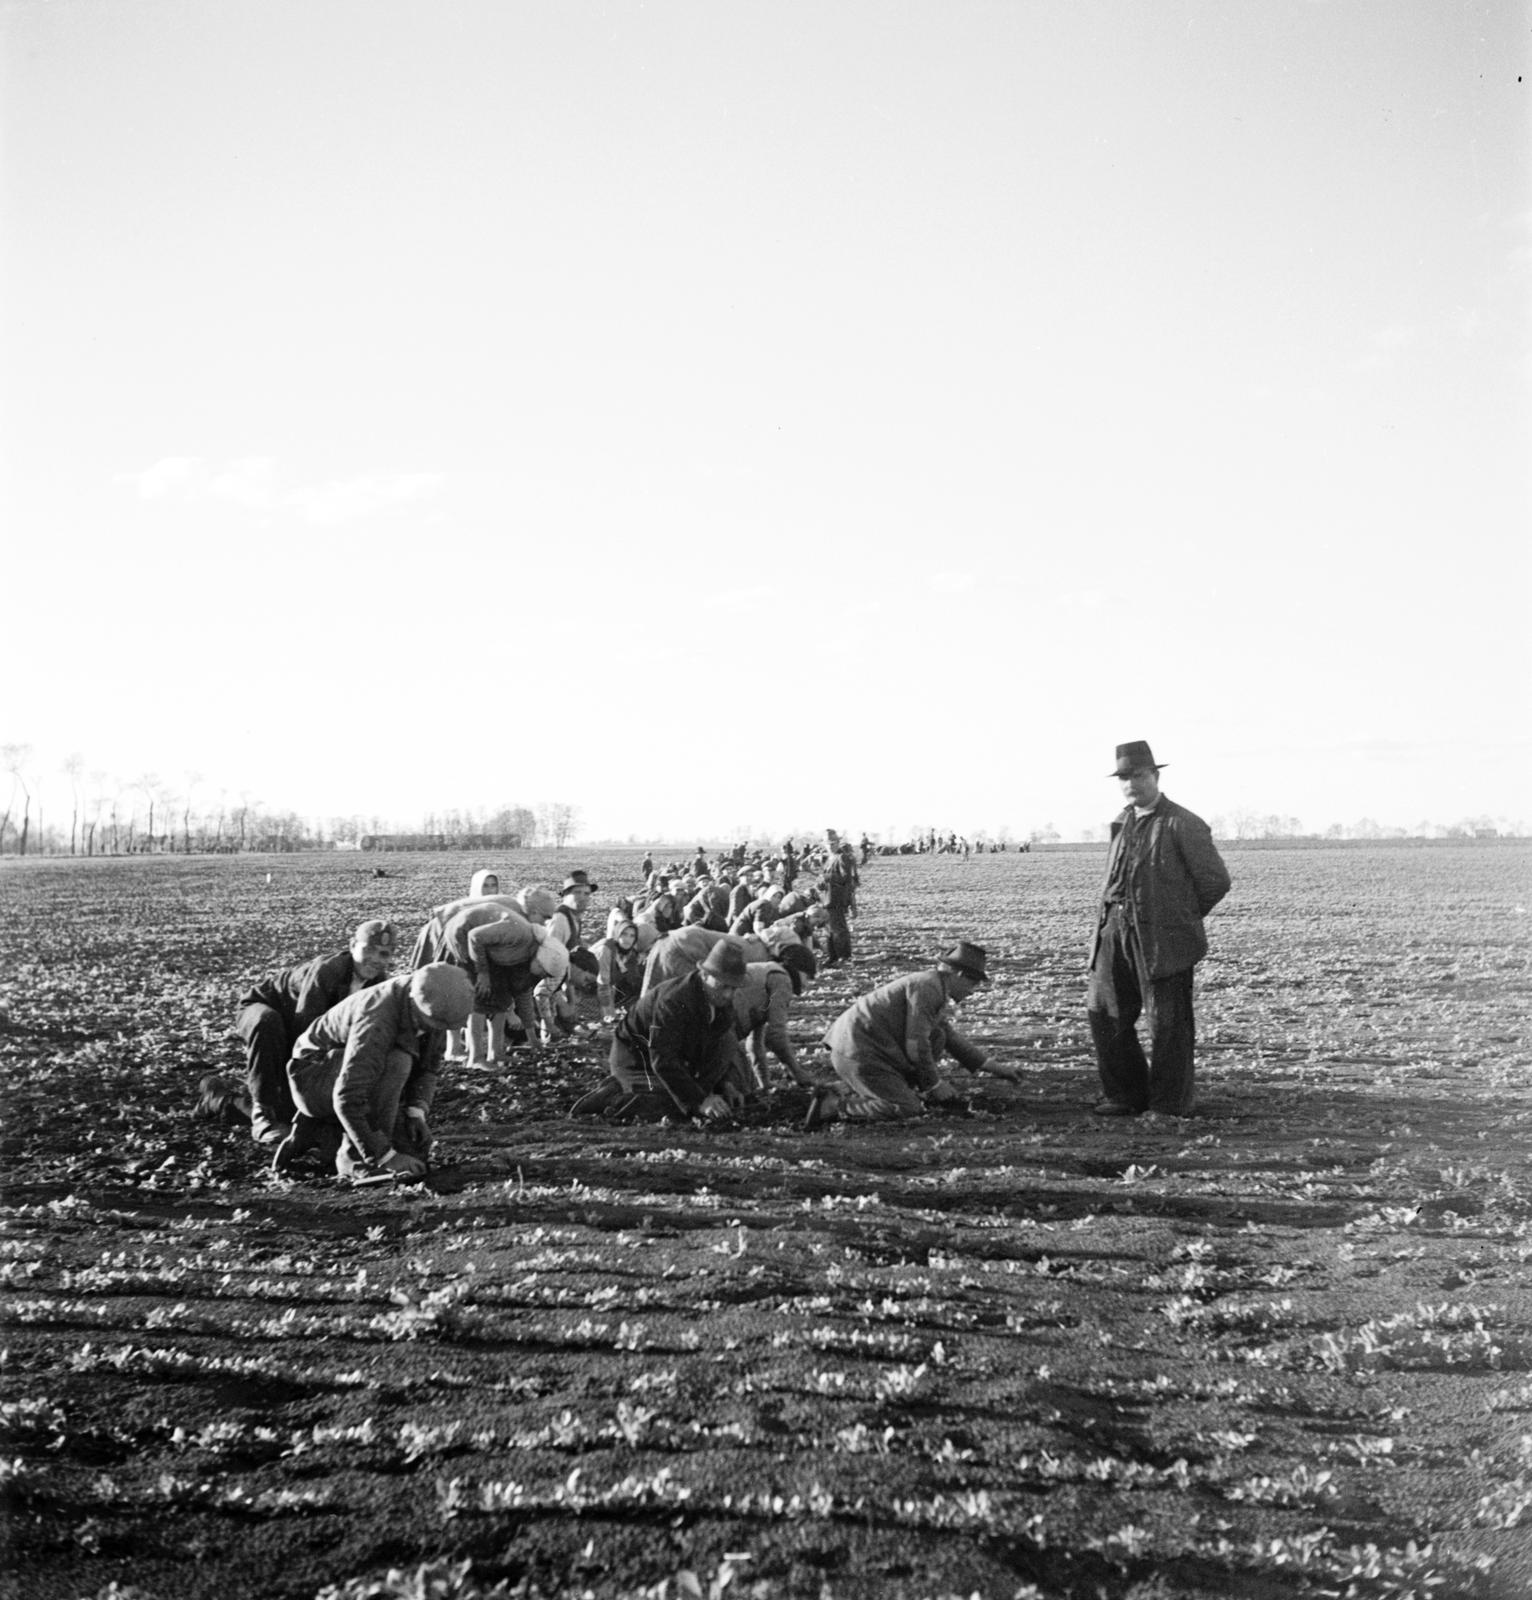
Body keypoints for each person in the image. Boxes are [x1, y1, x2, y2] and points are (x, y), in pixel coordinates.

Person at [1087, 740, 1231, 1119]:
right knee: (1106, 1012)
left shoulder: (1183, 823)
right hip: (1113, 929)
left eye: (1138, 775)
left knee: (1167, 1024)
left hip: (1162, 939)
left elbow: (1215, 881)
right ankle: (1126, 1096)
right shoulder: (1121, 822)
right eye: (1124, 778)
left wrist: (1177, 920)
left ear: (1155, 776)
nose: (1131, 784)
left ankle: (1169, 1105)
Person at [274, 962, 475, 1183]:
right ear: (416, 1005)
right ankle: (354, 1160)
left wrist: (416, 1112)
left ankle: (320, 1131)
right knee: (398, 1062)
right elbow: (348, 1095)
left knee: (415, 1153)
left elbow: (429, 1067)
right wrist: (384, 1156)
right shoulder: (378, 1017)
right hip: (312, 1079)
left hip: (347, 1077)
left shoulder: (431, 1000)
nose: (438, 1031)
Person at [805, 942, 1022, 1127]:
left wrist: (997, 1069)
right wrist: (934, 1084)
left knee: (938, 1036)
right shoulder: (928, 988)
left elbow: (951, 1038)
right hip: (858, 1052)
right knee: (907, 1108)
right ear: (959, 975)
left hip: (866, 1050)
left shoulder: (933, 985)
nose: (972, 990)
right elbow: (915, 1044)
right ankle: (834, 1105)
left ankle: (851, 1088)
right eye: (973, 983)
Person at [230, 920, 398, 1146]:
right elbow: (306, 1030)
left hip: (294, 1024)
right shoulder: (327, 972)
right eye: (368, 949)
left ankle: (218, 1096)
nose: (376, 959)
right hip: (267, 1010)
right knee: (267, 1023)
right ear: (352, 945)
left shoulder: (379, 985)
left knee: (292, 1109)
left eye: (384, 954)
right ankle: (262, 1112)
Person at [594, 940, 753, 1123]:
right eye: (723, 986)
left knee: (728, 1045)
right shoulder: (674, 1001)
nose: (728, 994)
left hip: (677, 1058)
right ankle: (615, 1093)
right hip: (636, 1059)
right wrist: (700, 1100)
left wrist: (725, 1084)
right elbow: (662, 1059)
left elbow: (717, 1048)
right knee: (671, 1104)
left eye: (733, 988)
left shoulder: (722, 1003)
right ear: (704, 974)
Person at [820, 839, 859, 967]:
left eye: (833, 843)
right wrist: (820, 883)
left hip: (836, 899)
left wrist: (828, 878)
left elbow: (846, 878)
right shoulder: (828, 859)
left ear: (837, 844)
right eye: (828, 844)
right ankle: (833, 957)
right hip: (827, 898)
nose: (831, 846)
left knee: (839, 929)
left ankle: (844, 957)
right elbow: (826, 878)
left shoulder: (841, 857)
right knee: (829, 930)